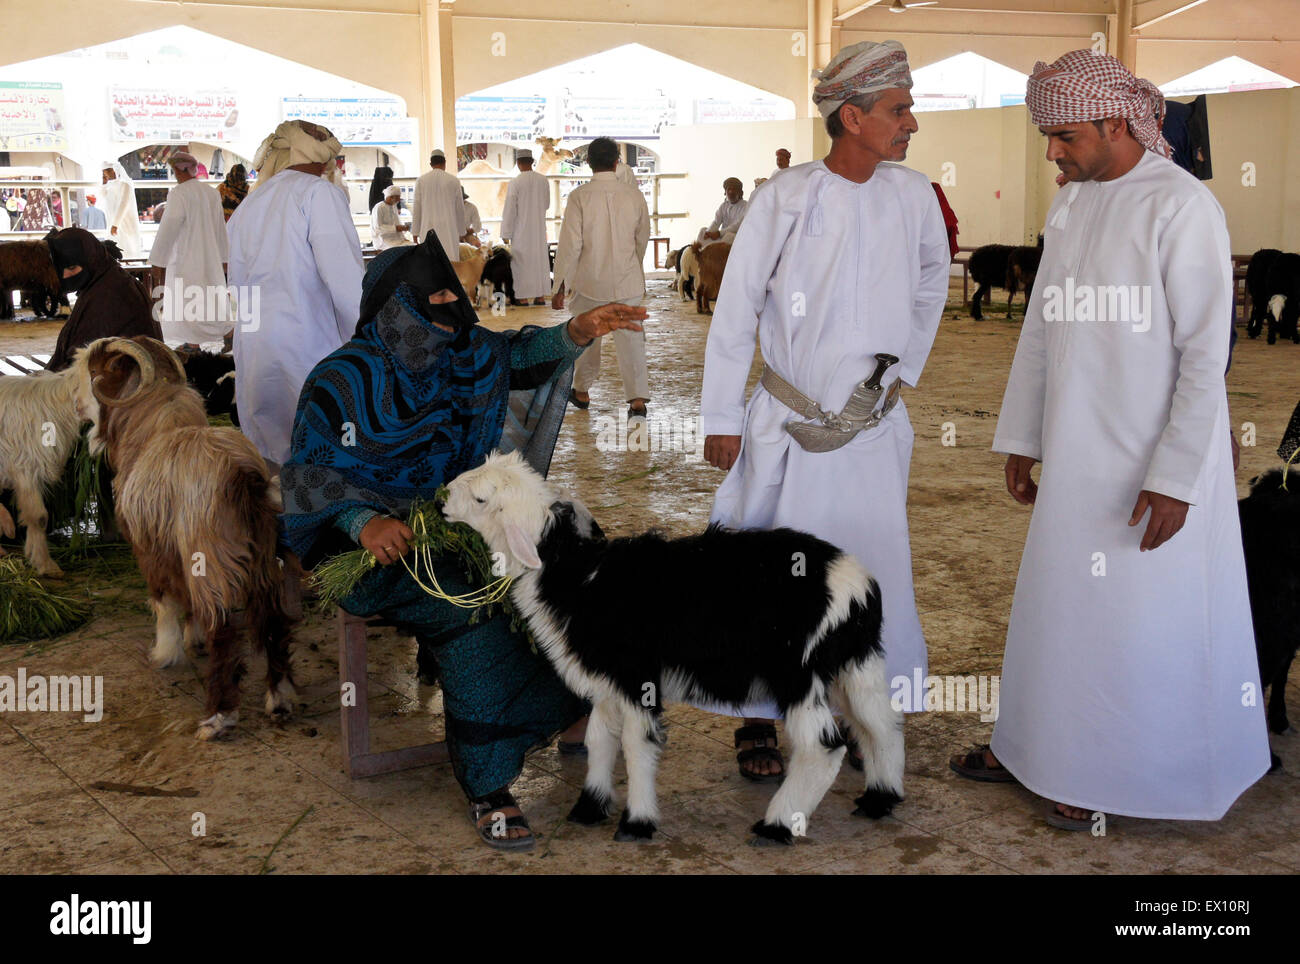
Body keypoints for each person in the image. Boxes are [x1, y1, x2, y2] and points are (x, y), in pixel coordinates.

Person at [949, 50, 1270, 828]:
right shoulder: (1072, 206)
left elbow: (1205, 355)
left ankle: (1113, 774)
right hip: (1076, 456)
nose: (1052, 153)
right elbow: (1041, 330)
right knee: (1058, 609)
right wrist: (1024, 435)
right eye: (1047, 138)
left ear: (1117, 123)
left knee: (1137, 622)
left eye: (1064, 137)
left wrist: (1176, 476)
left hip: (1149, 464)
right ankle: (1034, 748)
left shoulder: (1181, 206)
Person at [280, 232, 646, 851]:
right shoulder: (341, 379)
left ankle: (574, 708)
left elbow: (518, 355)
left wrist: (578, 330)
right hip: (370, 545)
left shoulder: (465, 350)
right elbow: (307, 474)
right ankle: (490, 782)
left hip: (458, 520)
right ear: (395, 306)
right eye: (438, 297)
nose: (455, 307)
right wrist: (362, 521)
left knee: (576, 556)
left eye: (456, 294)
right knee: (471, 604)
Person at [700, 39, 948, 780]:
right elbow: (738, 303)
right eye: (898, 110)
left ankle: (860, 706)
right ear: (853, 117)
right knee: (769, 572)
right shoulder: (787, 195)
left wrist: (900, 369)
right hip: (788, 424)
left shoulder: (914, 195)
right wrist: (720, 415)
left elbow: (931, 281)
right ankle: (756, 715)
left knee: (867, 568)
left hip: (873, 427)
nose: (910, 123)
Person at [227, 120, 364, 471]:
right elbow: (346, 282)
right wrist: (366, 339)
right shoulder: (319, 193)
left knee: (271, 455)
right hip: (308, 343)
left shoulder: (250, 204)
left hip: (255, 346)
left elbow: (236, 284)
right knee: (321, 445)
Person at [551, 136, 651, 419]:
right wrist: (633, 264)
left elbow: (570, 245)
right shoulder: (634, 195)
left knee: (586, 336)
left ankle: (581, 391)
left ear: (588, 162)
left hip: (590, 282)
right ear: (617, 162)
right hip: (628, 281)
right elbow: (642, 237)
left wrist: (560, 285)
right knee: (632, 339)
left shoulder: (579, 197)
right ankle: (637, 401)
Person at [43, 227, 161, 371]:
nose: (65, 275)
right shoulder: (105, 279)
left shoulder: (111, 292)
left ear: (90, 259)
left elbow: (85, 356)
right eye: (61, 269)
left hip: (122, 377)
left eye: (72, 267)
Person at [149, 151, 231, 349]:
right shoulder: (211, 193)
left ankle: (195, 343)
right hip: (210, 257)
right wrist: (224, 258)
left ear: (179, 170)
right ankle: (223, 334)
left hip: (186, 257)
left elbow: (168, 228)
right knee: (210, 299)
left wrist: (158, 261)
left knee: (188, 301)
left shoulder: (179, 194)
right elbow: (220, 228)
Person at [500, 148, 551, 306]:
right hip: (539, 229)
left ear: (518, 163)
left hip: (520, 230)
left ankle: (522, 297)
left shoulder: (515, 182)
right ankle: (540, 296)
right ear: (532, 162)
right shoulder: (543, 180)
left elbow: (510, 209)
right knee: (539, 260)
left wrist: (506, 232)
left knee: (521, 262)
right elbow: (547, 204)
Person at [411, 149, 466, 263]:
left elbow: (417, 208)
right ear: (445, 162)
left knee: (430, 264)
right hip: (449, 229)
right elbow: (459, 209)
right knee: (450, 262)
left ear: (431, 164)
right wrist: (462, 232)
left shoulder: (421, 181)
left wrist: (415, 232)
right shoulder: (454, 180)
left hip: (428, 229)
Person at [101, 160, 142, 258]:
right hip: (113, 221)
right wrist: (104, 183)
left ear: (114, 170)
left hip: (124, 221)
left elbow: (124, 204)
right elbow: (102, 196)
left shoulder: (126, 184)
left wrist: (115, 224)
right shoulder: (110, 185)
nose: (105, 174)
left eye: (107, 171)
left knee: (128, 246)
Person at [695, 178, 747, 247]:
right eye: (729, 189)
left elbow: (737, 226)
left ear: (740, 192)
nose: (731, 192)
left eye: (734, 189)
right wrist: (709, 233)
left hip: (734, 237)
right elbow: (716, 222)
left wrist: (719, 233)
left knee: (729, 236)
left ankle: (713, 250)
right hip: (721, 236)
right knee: (703, 231)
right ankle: (703, 251)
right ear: (725, 192)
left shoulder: (745, 205)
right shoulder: (724, 205)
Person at [370, 184, 411, 250]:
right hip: (382, 240)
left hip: (396, 239)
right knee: (398, 250)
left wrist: (403, 236)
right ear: (390, 197)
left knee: (413, 246)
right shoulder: (379, 207)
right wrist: (395, 228)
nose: (398, 200)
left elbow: (397, 224)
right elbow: (377, 228)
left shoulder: (394, 206)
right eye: (397, 197)